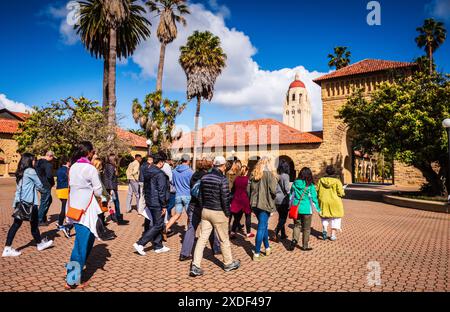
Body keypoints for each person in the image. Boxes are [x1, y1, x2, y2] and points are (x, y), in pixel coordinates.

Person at [190, 156, 240, 277]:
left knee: (202, 239)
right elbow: (225, 198)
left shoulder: (205, 177)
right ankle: (228, 263)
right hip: (218, 211)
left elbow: (200, 196)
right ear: (222, 166)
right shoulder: (222, 179)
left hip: (206, 211)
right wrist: (227, 213)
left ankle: (195, 265)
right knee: (224, 238)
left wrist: (203, 206)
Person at [65, 141, 103, 289]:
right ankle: (71, 279)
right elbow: (99, 191)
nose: (94, 153)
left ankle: (77, 271)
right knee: (80, 246)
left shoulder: (73, 167)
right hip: (86, 213)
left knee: (87, 242)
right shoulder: (90, 168)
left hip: (75, 210)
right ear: (88, 153)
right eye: (93, 151)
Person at [2, 153, 54, 257]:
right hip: (30, 203)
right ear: (29, 161)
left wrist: (15, 203)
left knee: (19, 225)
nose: (35, 162)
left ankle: (38, 243)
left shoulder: (20, 172)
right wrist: (45, 190)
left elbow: (18, 189)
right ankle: (9, 248)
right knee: (32, 226)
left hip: (20, 202)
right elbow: (39, 184)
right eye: (33, 160)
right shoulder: (30, 171)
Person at [179, 158, 221, 261]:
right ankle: (216, 248)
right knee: (211, 227)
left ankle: (184, 253)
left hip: (193, 205)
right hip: (205, 206)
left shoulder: (194, 175)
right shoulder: (209, 177)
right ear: (210, 166)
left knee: (191, 228)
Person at [133, 152, 171, 255]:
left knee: (157, 223)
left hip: (149, 199)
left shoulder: (147, 170)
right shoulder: (160, 174)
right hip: (157, 202)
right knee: (158, 224)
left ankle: (158, 246)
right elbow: (161, 191)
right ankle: (140, 243)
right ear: (161, 162)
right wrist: (164, 205)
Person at [249, 157, 277, 261]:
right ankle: (256, 253)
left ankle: (267, 247)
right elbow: (274, 190)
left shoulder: (253, 174)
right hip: (264, 204)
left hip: (254, 204)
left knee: (263, 225)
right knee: (261, 227)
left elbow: (249, 189)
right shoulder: (269, 174)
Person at [288, 167, 321, 252]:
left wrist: (290, 205)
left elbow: (291, 195)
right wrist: (318, 209)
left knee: (297, 226)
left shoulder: (295, 183)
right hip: (307, 209)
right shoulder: (310, 185)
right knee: (306, 228)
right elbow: (314, 198)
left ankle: (294, 240)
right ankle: (305, 246)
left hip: (296, 208)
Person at [165, 154, 193, 235]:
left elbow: (172, 182)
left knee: (177, 214)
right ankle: (189, 234)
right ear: (188, 161)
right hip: (188, 195)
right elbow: (192, 184)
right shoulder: (190, 172)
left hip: (178, 195)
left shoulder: (174, 171)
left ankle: (165, 228)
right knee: (190, 216)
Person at [317, 166, 345, 241]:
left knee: (324, 216)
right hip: (335, 202)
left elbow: (317, 190)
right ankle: (333, 235)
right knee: (335, 218)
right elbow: (341, 193)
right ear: (334, 172)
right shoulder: (337, 181)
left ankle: (325, 230)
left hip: (324, 201)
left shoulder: (321, 180)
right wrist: (342, 193)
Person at [103, 154, 128, 225]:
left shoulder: (107, 166)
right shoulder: (111, 167)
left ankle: (103, 218)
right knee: (116, 202)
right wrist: (111, 189)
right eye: (116, 159)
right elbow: (110, 179)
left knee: (107, 203)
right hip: (111, 187)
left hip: (109, 187)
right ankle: (119, 219)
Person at [230, 165, 254, 239]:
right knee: (248, 216)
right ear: (246, 171)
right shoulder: (248, 180)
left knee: (237, 218)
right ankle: (248, 232)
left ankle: (232, 232)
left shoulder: (236, 179)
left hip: (237, 199)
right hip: (245, 200)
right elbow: (249, 191)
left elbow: (233, 189)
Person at [36, 150, 56, 225]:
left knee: (49, 200)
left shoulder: (38, 162)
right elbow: (49, 175)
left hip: (39, 184)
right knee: (44, 202)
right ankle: (39, 219)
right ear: (50, 156)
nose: (53, 159)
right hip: (46, 185)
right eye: (53, 158)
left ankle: (43, 216)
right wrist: (52, 182)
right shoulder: (48, 164)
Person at [274, 159, 291, 241]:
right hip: (283, 200)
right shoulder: (285, 176)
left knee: (281, 217)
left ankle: (283, 234)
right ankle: (276, 231)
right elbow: (287, 189)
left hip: (276, 199)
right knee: (283, 218)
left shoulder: (277, 175)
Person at [56, 157, 72, 238]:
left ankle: (60, 222)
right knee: (64, 208)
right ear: (67, 162)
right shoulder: (67, 170)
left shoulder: (59, 169)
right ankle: (61, 223)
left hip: (59, 190)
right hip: (65, 189)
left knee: (63, 206)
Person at [161, 158, 175, 239]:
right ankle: (165, 227)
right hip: (170, 190)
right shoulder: (166, 166)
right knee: (168, 207)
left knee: (168, 207)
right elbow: (170, 178)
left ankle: (165, 225)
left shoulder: (164, 166)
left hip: (166, 190)